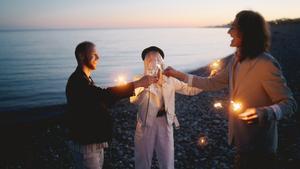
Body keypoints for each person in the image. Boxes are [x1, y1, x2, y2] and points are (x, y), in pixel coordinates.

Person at [163, 10, 297, 169]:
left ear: (246, 32)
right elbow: (212, 83)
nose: (228, 32)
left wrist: (265, 112)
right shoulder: (235, 60)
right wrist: (178, 74)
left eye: (233, 28)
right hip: (241, 142)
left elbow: (290, 103)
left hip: (260, 149)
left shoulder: (265, 63)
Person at [65, 41, 158, 169]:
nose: (98, 58)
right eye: (94, 54)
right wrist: (138, 83)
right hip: (86, 146)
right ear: (81, 56)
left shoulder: (85, 79)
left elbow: (101, 101)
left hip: (95, 142)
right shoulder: (77, 81)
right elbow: (104, 95)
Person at [130, 46, 202, 169]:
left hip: (165, 122)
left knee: (167, 161)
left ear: (162, 62)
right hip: (146, 124)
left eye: (157, 58)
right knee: (143, 161)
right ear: (146, 63)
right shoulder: (139, 80)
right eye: (150, 59)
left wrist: (207, 82)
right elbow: (134, 100)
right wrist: (145, 86)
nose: (154, 62)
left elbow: (189, 89)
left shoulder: (170, 80)